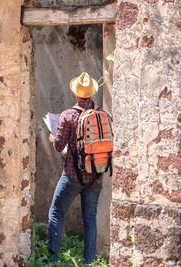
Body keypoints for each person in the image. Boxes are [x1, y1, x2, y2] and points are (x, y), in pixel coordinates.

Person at [48, 72, 112, 264]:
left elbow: (59, 146)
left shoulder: (68, 116)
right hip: (96, 176)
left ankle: (53, 258)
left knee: (56, 212)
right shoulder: (104, 115)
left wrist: (53, 138)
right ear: (91, 93)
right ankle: (89, 261)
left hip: (72, 176)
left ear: (76, 94)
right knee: (90, 219)